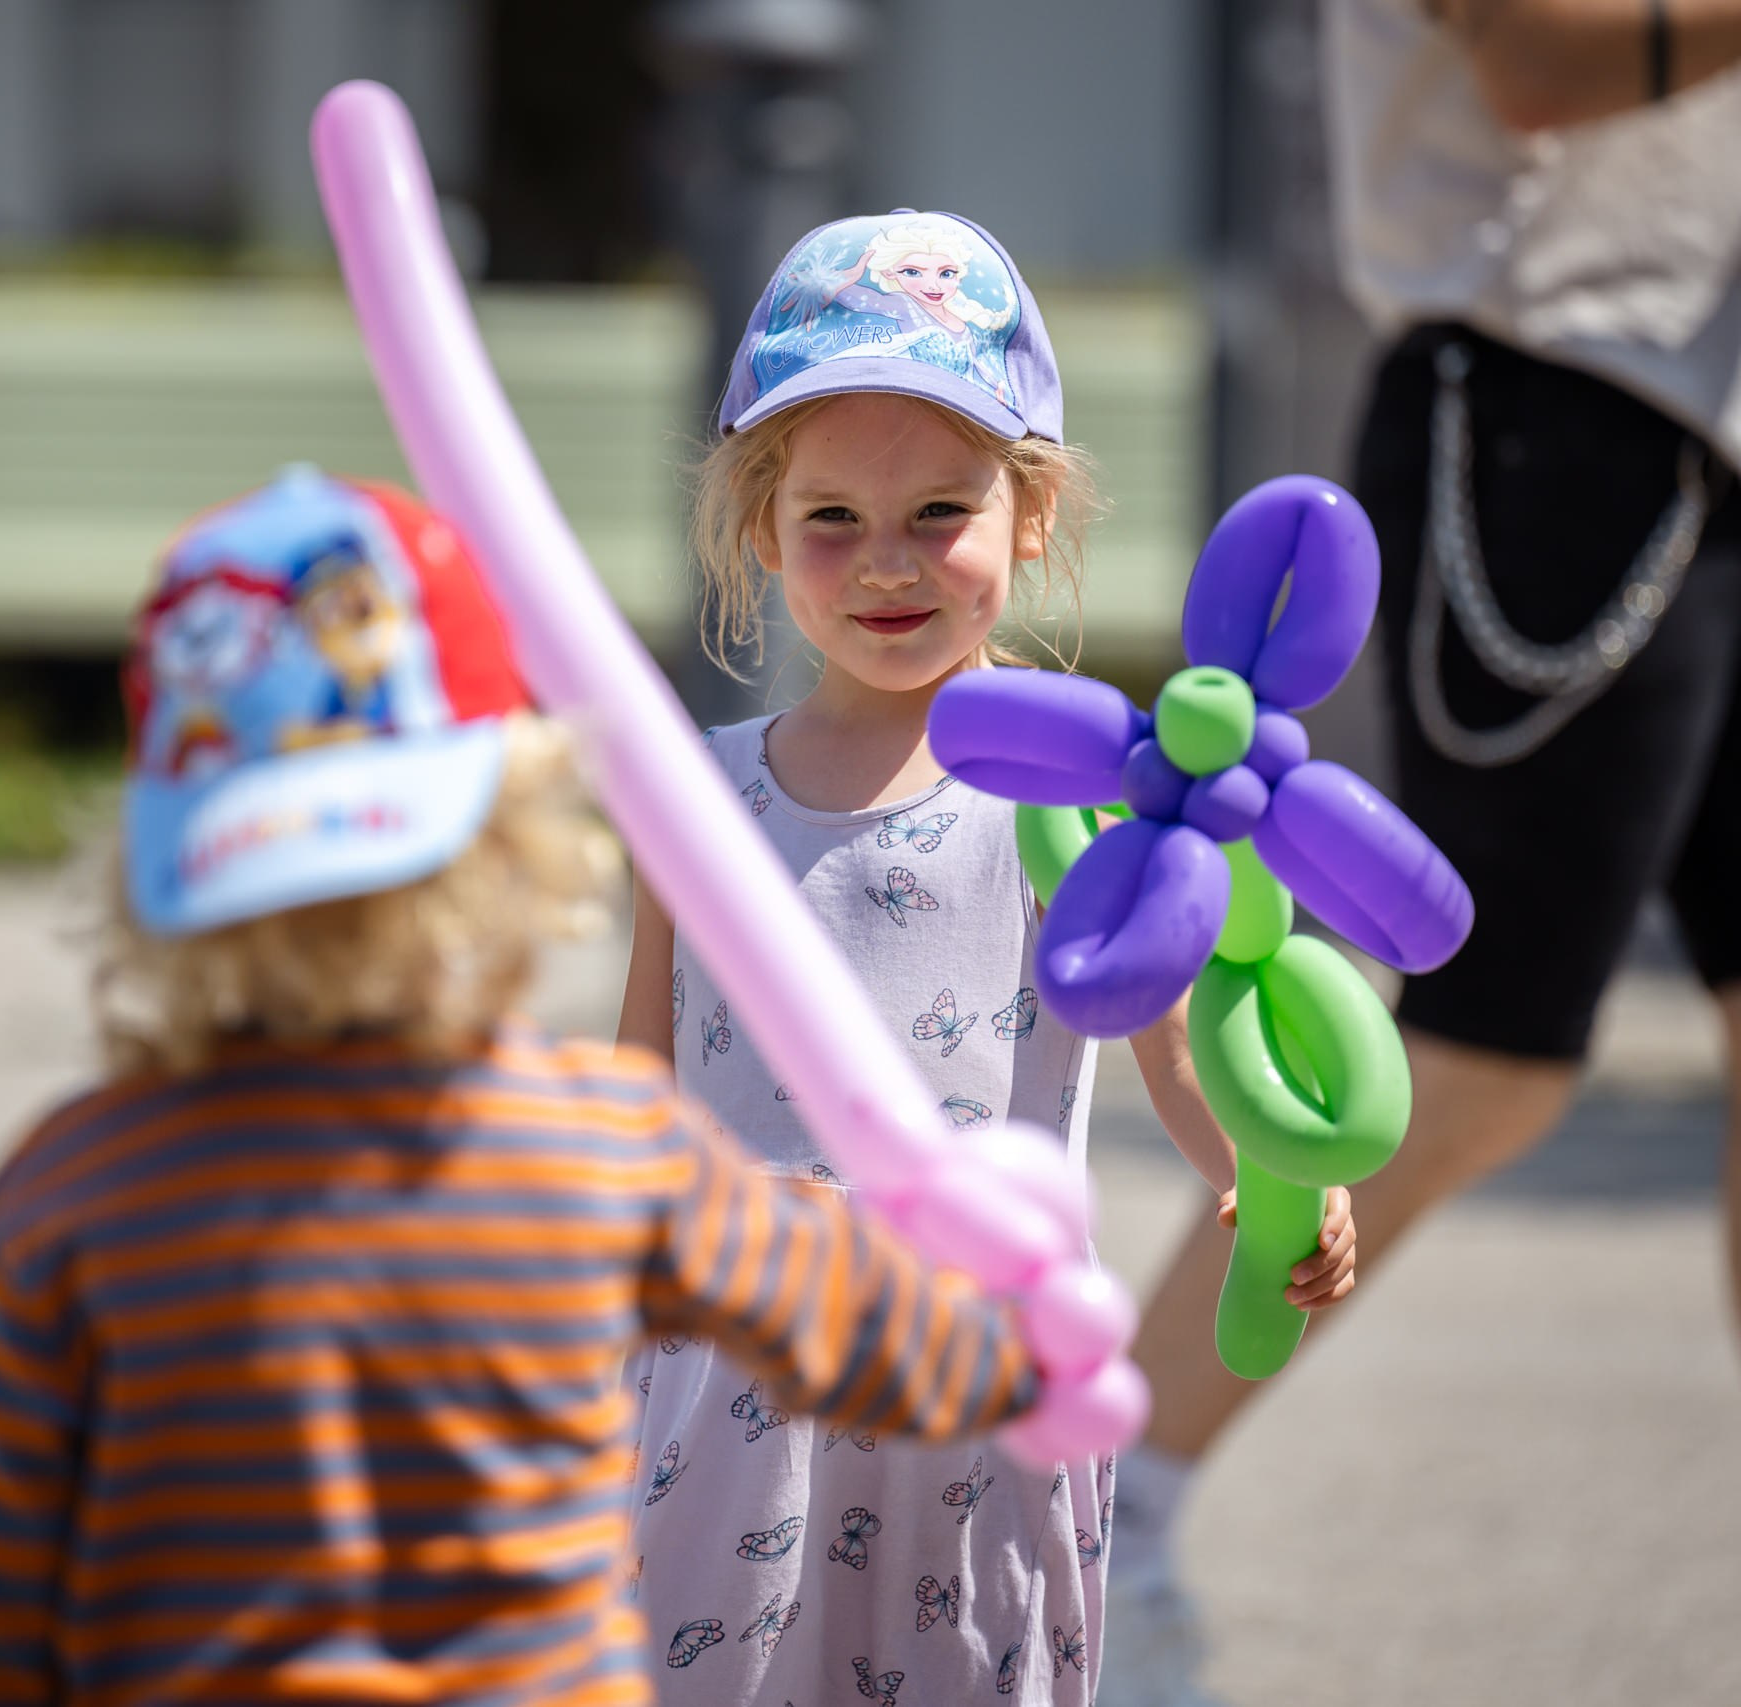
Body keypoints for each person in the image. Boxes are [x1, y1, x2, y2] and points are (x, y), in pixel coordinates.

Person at [0, 468, 1054, 1705]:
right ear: (511, 834)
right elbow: (855, 1330)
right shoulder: (595, 1148)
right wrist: (1018, 1354)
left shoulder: (61, 1198)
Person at [614, 210, 1359, 1707]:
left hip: (985, 1377)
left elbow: (1168, 1036)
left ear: (1032, 518)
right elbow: (644, 1057)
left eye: (939, 511)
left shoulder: (1080, 782)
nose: (885, 563)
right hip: (733, 1378)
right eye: (831, 518)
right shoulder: (697, 784)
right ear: (762, 531)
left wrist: (1264, 1173)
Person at [1105, 3, 1741, 1698]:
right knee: (1474, 1054)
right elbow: (1538, 56)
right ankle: (1106, 1512)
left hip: (1707, 411)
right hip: (1557, 393)